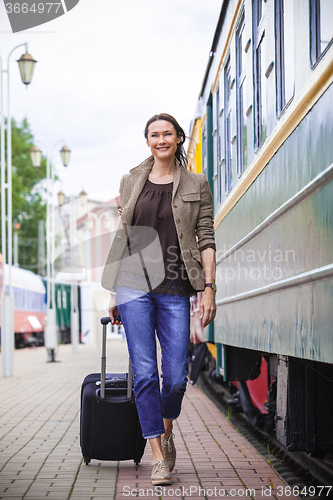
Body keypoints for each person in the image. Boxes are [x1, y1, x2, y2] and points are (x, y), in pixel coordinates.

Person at [101, 113, 216, 486]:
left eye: (167, 134)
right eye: (154, 134)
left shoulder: (197, 182)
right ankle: (156, 455)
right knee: (146, 372)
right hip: (133, 283)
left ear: (179, 138)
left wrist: (210, 287)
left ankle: (166, 429)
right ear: (147, 140)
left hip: (176, 287)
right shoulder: (132, 179)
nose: (161, 139)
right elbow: (126, 235)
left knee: (177, 377)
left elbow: (206, 237)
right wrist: (116, 292)